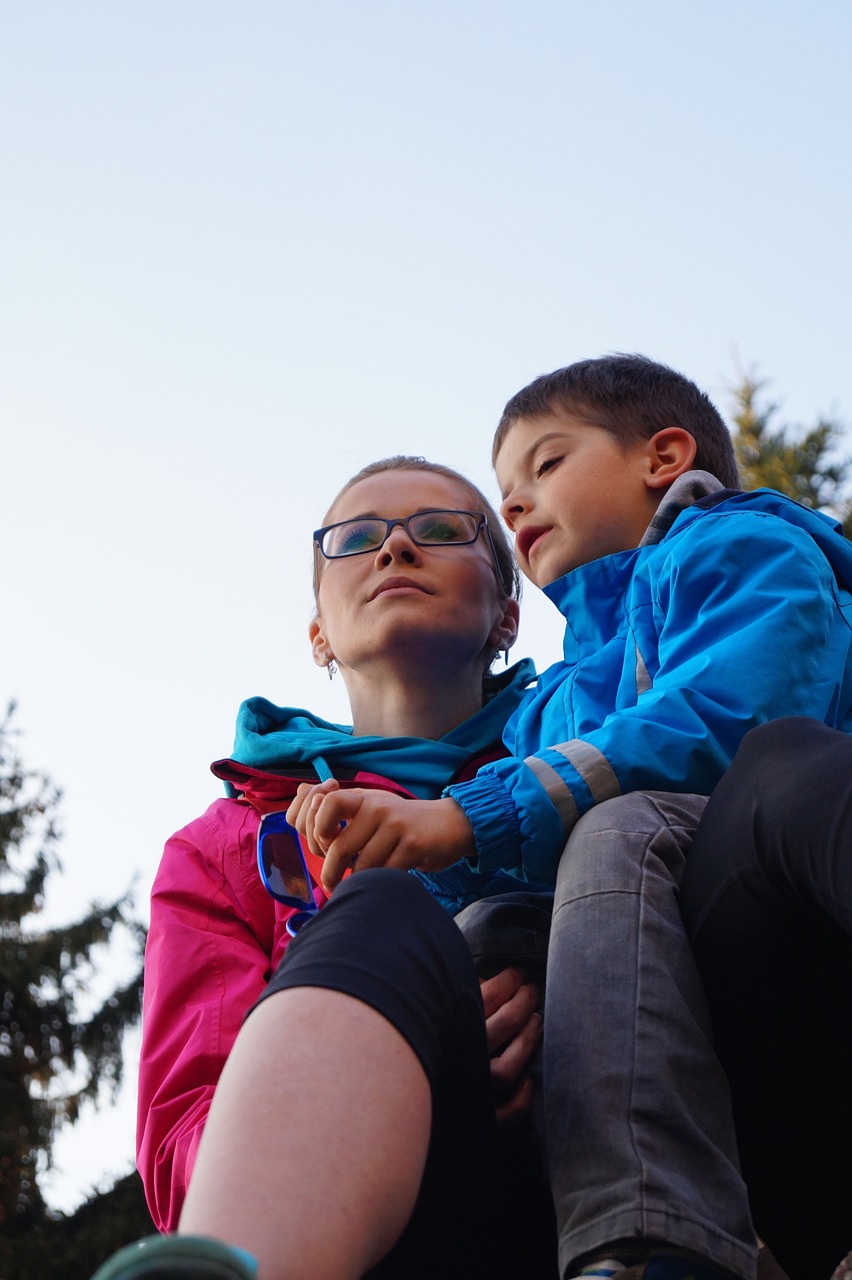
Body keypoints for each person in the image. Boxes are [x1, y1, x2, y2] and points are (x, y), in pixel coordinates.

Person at [291, 355, 852, 1280]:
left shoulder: (738, 548)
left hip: (772, 914)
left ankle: (647, 1242)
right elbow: (512, 866)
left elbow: (738, 711)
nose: (517, 508)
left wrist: (462, 820)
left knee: (611, 831)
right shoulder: (551, 703)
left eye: (543, 467)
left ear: (663, 457)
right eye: (506, 497)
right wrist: (398, 857)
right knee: (486, 931)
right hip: (657, 971)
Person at [94, 455, 558, 1280]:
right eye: (357, 538)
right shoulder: (231, 846)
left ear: (506, 617)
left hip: (599, 1158)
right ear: (318, 635)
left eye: (442, 530)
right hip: (366, 1226)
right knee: (382, 908)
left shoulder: (588, 756)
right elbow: (178, 1155)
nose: (395, 550)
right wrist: (374, 1073)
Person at [680, 717, 852, 1280]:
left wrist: (481, 816)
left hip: (751, 864)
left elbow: (731, 712)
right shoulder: (535, 720)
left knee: (772, 756)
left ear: (506, 623)